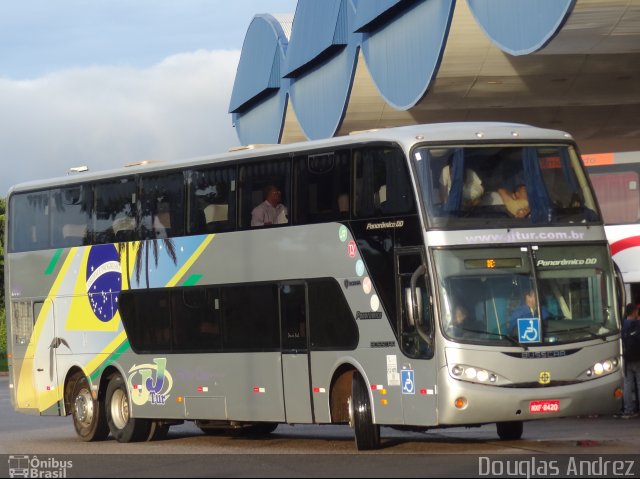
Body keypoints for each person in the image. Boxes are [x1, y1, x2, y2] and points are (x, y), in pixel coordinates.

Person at [618, 303, 640, 418]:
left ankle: (628, 409)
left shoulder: (623, 325)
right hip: (638, 358)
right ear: (634, 312)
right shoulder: (638, 324)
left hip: (627, 359)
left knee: (627, 384)